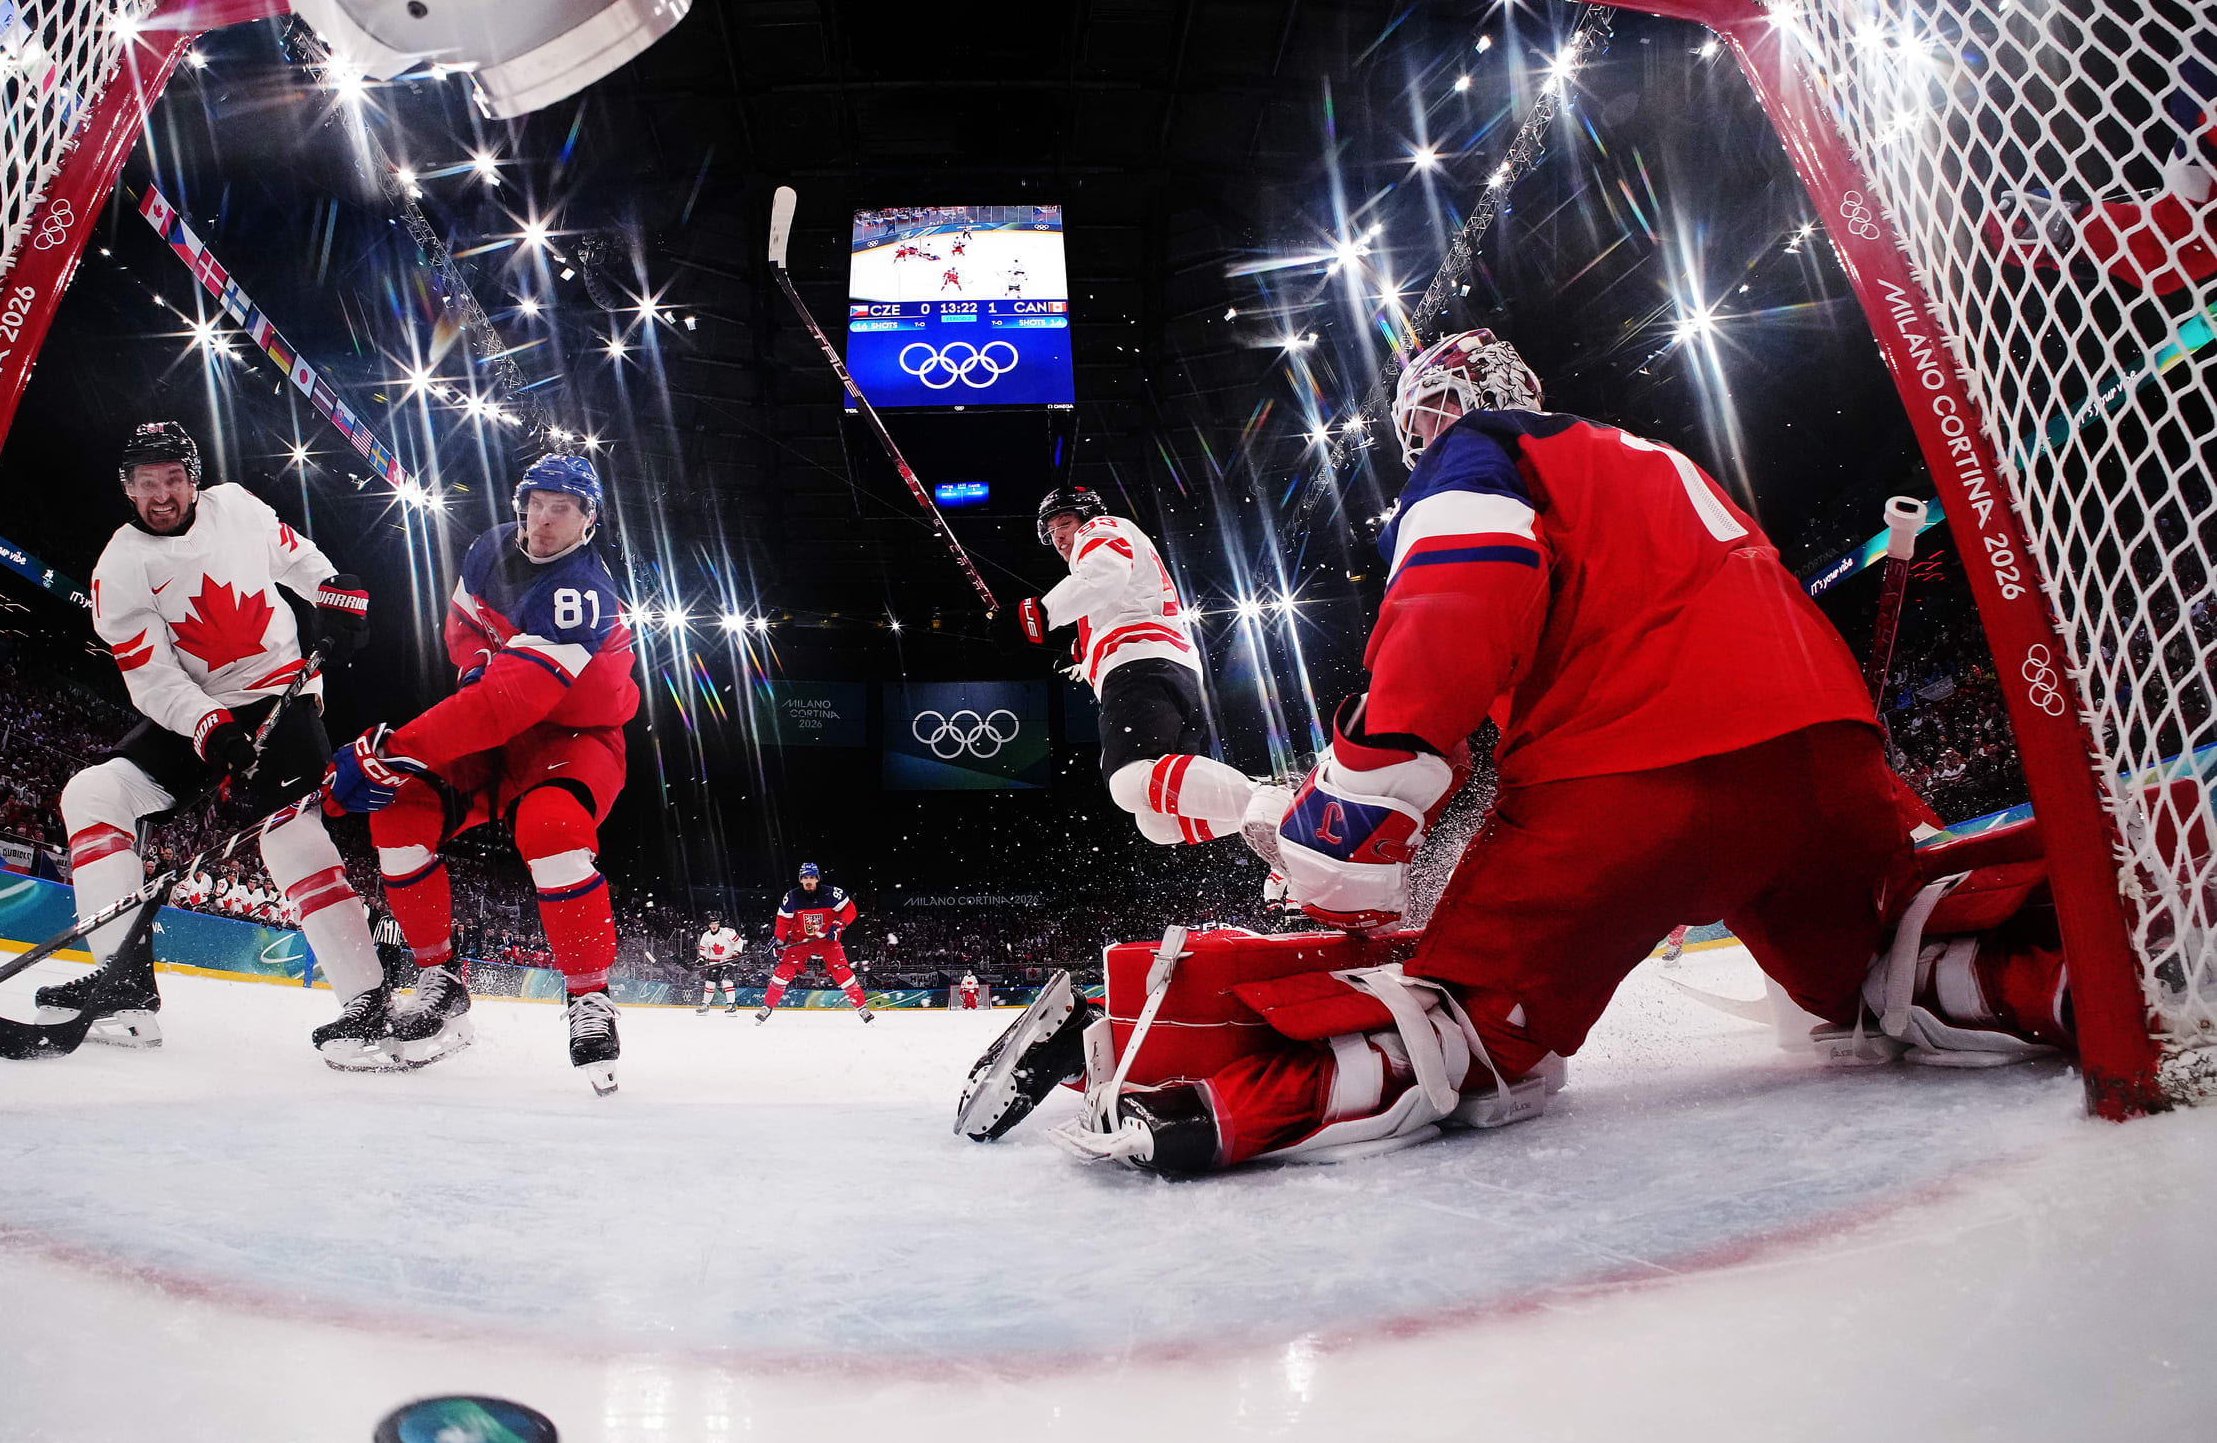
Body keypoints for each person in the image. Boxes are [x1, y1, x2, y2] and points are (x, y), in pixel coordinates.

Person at [961, 329, 2075, 1173]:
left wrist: (1346, 822)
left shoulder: (1480, 457)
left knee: (1462, 1024)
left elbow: (1454, 619)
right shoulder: (1650, 459)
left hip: (1632, 780)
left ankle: (1189, 1082)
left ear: (1445, 406)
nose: (1417, 443)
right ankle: (2071, 979)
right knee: (1883, 971)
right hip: (1830, 765)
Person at [33, 421, 389, 1052]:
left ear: (193, 482)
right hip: (198, 710)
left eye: (173, 479)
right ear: (128, 489)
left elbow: (298, 558)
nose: (162, 495)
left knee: (288, 833)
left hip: (282, 690)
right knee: (94, 794)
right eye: (147, 483)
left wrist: (334, 593)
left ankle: (368, 1005)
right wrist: (211, 729)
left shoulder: (238, 509)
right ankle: (123, 986)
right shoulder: (118, 567)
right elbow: (152, 677)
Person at [321, 451, 638, 1084]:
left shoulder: (582, 593)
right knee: (399, 811)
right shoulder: (489, 548)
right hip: (498, 728)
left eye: (563, 509)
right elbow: (463, 624)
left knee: (550, 832)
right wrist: (470, 669)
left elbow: (507, 703)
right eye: (537, 504)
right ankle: (440, 983)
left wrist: (392, 750)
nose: (544, 520)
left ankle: (588, 995)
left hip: (571, 738)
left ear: (588, 520)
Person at [1019, 485, 1260, 847]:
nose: (1059, 536)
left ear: (1086, 516)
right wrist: (1082, 654)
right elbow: (1120, 600)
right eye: (1051, 531)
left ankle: (1271, 801)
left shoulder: (1099, 529)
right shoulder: (1111, 549)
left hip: (1140, 665)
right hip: (1164, 667)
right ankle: (1275, 820)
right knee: (1158, 825)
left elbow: (1104, 577)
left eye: (1064, 523)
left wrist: (1038, 613)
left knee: (1128, 781)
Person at [756, 863, 873, 1022]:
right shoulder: (791, 897)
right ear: (800, 880)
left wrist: (838, 924)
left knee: (842, 972)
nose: (808, 881)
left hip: (826, 940)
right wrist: (778, 940)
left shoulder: (832, 894)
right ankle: (767, 1007)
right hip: (800, 941)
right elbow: (783, 922)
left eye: (812, 877)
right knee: (784, 971)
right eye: (805, 878)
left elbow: (850, 910)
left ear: (817, 878)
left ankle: (862, 1008)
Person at [696, 917, 745, 1014]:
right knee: (709, 983)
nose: (713, 926)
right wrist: (702, 958)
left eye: (715, 924)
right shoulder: (706, 936)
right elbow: (703, 951)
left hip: (728, 961)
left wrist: (736, 953)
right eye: (711, 924)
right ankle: (705, 1005)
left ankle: (731, 1005)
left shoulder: (727, 932)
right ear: (709, 926)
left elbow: (739, 941)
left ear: (718, 924)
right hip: (714, 962)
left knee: (726, 981)